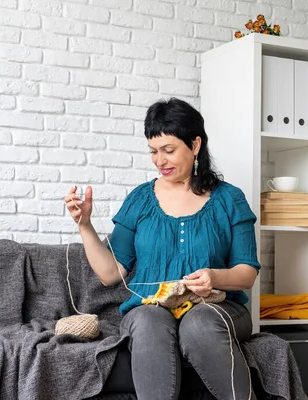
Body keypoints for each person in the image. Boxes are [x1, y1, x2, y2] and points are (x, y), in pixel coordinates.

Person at [64, 97, 261, 400]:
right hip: (151, 310)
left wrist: (214, 278)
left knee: (199, 322)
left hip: (219, 308)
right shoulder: (141, 199)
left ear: (195, 145)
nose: (160, 160)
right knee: (147, 319)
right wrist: (85, 225)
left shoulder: (229, 199)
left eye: (169, 150)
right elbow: (109, 273)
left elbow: (246, 273)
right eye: (153, 152)